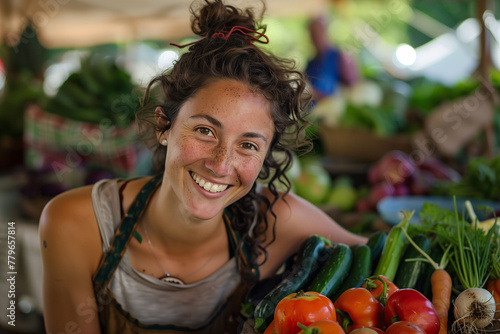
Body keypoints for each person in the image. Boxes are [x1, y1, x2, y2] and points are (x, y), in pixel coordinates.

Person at [39, 1, 367, 333]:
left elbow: (381, 256)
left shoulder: (274, 223)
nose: (221, 164)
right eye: (205, 131)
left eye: (248, 145)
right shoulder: (78, 224)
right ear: (164, 126)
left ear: (266, 156)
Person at [305, 15, 359, 101]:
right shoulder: (310, 63)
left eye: (317, 33)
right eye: (312, 34)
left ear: (325, 33)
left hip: (332, 108)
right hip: (313, 109)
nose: (315, 37)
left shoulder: (340, 56)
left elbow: (353, 86)